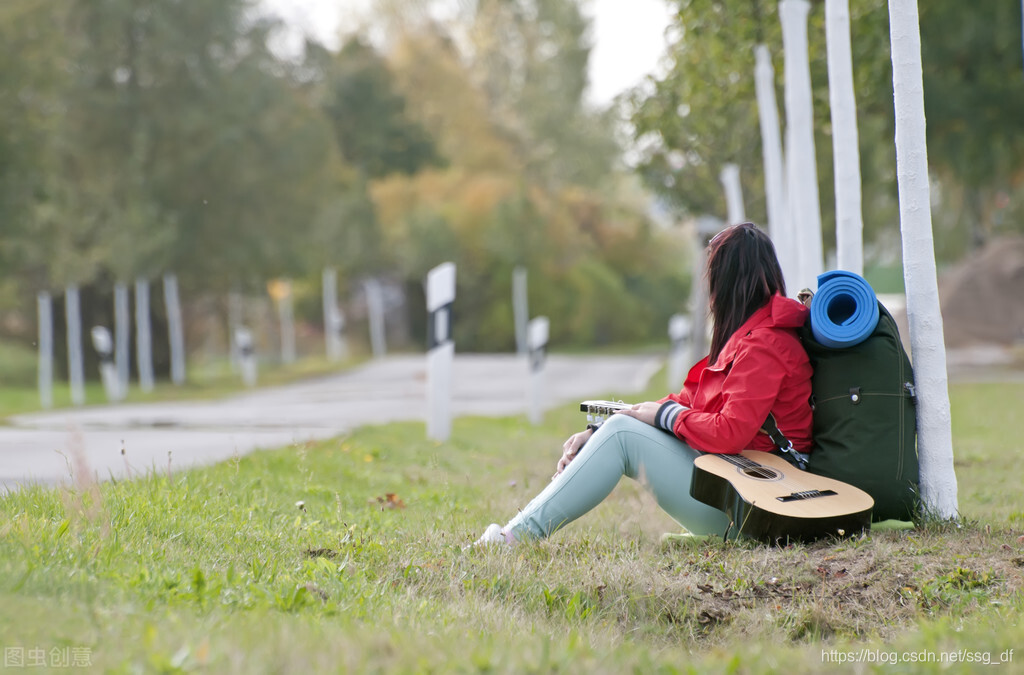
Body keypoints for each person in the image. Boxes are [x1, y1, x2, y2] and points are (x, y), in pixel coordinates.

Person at [472, 222, 814, 546]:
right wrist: (596, 433)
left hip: (757, 515)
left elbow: (730, 432)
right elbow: (688, 403)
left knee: (622, 436)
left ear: (724, 284)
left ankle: (514, 539)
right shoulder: (750, 337)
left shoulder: (764, 345)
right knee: (617, 430)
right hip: (741, 496)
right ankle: (516, 532)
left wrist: (658, 417)